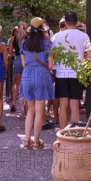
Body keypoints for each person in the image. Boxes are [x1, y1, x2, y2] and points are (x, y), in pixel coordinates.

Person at [52, 11, 91, 130]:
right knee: (74, 105)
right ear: (77, 22)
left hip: (61, 73)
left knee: (63, 105)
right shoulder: (84, 36)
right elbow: (90, 56)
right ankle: (74, 134)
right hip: (77, 72)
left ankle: (63, 134)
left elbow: (53, 54)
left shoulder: (57, 36)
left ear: (65, 22)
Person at [19, 17, 54, 149]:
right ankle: (36, 142)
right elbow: (50, 66)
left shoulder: (24, 43)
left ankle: (26, 140)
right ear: (42, 30)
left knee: (30, 110)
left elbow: (23, 63)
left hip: (27, 76)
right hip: (41, 76)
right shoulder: (47, 44)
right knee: (40, 110)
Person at [8, 21, 27, 112]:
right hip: (26, 60)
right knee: (26, 82)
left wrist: (15, 53)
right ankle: (25, 106)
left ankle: (13, 103)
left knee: (16, 83)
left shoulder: (13, 38)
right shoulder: (27, 38)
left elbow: (10, 51)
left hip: (17, 59)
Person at [50, 17, 67, 125]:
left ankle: (56, 116)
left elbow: (51, 54)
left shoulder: (54, 37)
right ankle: (65, 117)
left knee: (56, 93)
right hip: (65, 68)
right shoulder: (68, 36)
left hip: (55, 68)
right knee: (66, 95)